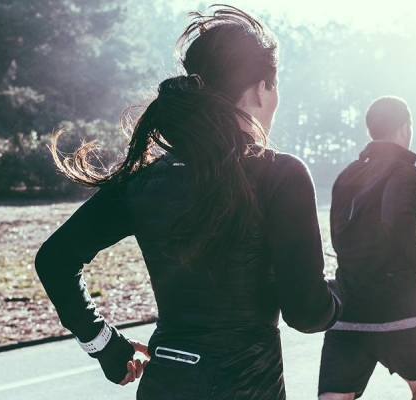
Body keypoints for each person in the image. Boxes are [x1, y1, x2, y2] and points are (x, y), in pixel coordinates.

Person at [34, 5, 343, 400]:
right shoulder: (280, 174)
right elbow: (307, 313)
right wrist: (343, 295)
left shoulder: (143, 180)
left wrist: (104, 345)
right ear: (262, 89)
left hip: (165, 383)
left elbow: (54, 259)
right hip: (246, 389)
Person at [317, 96, 416, 400]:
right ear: (404, 129)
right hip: (397, 309)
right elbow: (396, 220)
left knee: (334, 397)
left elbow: (337, 234)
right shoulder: (406, 172)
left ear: (370, 131)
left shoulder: (346, 175)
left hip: (348, 307)